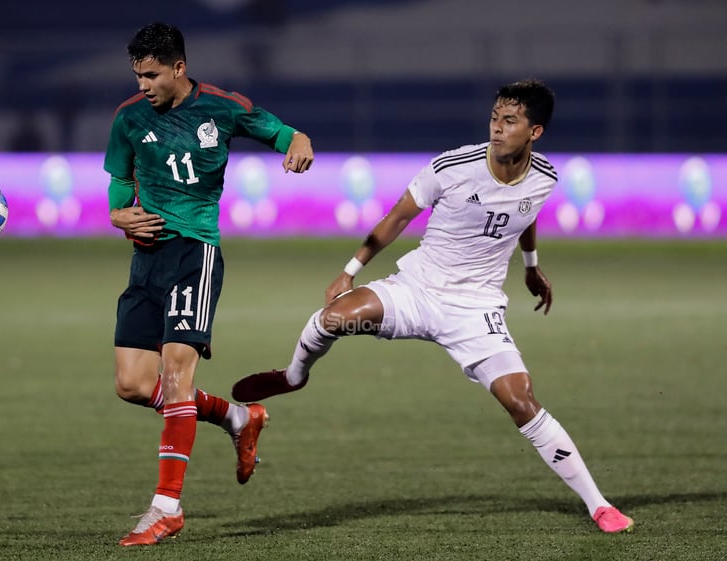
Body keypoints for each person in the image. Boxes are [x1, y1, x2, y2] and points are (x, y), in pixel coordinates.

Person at [232, 79, 634, 534]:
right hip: (417, 289)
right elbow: (397, 218)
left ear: (535, 131)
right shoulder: (452, 166)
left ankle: (599, 505)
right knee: (333, 319)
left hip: (476, 310)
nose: (498, 129)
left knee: (521, 401)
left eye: (510, 121)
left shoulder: (545, 178)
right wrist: (349, 270)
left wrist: (530, 267)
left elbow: (525, 214)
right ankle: (293, 376)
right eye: (494, 118)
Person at [103, 22, 314, 546]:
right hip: (145, 263)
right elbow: (117, 190)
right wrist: (119, 217)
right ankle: (238, 416)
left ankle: (165, 508)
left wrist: (299, 145)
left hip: (193, 254)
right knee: (132, 384)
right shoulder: (128, 118)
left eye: (151, 74)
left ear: (179, 67)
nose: (143, 84)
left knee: (176, 379)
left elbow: (289, 135)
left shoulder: (222, 107)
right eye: (137, 75)